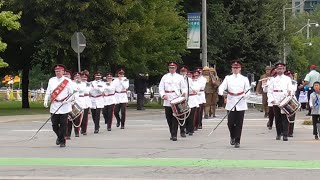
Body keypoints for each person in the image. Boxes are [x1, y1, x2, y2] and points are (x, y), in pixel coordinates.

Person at [218, 60, 251, 148]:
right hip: (231, 101)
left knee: (239, 123)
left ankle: (237, 140)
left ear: (240, 69)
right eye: (234, 68)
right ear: (231, 69)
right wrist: (221, 92)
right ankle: (232, 136)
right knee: (230, 122)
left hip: (241, 101)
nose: (235, 69)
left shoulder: (244, 79)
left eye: (237, 68)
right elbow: (222, 86)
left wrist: (245, 96)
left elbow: (248, 90)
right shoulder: (228, 78)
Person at [43, 64, 74, 147]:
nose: (58, 72)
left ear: (63, 72)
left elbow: (72, 94)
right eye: (56, 71)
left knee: (63, 124)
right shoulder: (51, 80)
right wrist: (46, 100)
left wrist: (67, 100)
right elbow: (48, 92)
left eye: (59, 71)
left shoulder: (67, 81)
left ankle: (62, 141)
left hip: (64, 106)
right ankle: (59, 137)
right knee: (54, 125)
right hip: (54, 105)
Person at [159, 62, 187, 141]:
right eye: (170, 68)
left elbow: (184, 87)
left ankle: (174, 134)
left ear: (176, 68)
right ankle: (172, 132)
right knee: (168, 117)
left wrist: (184, 93)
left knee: (175, 116)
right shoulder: (165, 77)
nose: (172, 69)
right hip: (167, 98)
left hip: (176, 97)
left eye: (173, 68)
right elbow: (161, 87)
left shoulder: (179, 77)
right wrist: (163, 95)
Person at [267, 63, 292, 141]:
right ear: (276, 70)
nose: (280, 70)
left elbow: (290, 89)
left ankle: (285, 134)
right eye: (278, 69)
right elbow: (269, 91)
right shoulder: (273, 79)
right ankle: (278, 133)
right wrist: (272, 99)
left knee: (285, 117)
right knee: (277, 118)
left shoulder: (287, 79)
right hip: (276, 99)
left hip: (284, 99)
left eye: (281, 69)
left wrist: (289, 96)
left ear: (284, 70)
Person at [66, 72, 84, 138]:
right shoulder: (68, 83)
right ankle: (68, 134)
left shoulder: (75, 83)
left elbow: (77, 92)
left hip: (76, 102)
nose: (77, 77)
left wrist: (74, 101)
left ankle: (77, 132)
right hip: (67, 103)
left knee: (76, 118)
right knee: (69, 119)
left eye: (78, 76)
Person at [284, 70, 297, 137]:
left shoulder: (294, 82)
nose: (289, 76)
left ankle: (290, 132)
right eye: (287, 75)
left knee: (292, 116)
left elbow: (293, 90)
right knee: (284, 117)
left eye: (290, 75)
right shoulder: (282, 82)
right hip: (284, 100)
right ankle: (284, 131)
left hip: (292, 100)